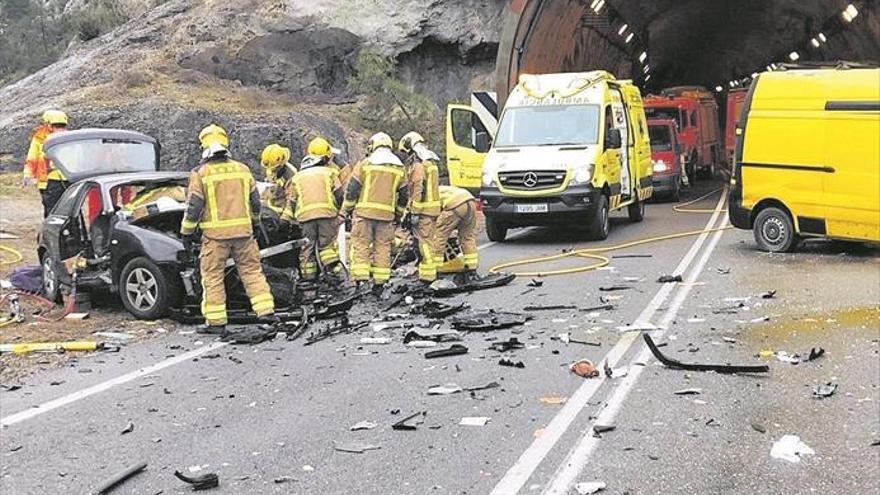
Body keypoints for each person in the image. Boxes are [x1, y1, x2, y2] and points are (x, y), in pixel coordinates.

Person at [180, 124, 275, 333]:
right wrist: (256, 223)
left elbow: (194, 207)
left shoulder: (201, 173)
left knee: (213, 277)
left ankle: (216, 322)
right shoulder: (242, 169)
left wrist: (186, 233)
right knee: (252, 272)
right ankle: (266, 312)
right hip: (244, 234)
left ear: (203, 147)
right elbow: (255, 202)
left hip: (215, 238)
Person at [338, 132, 408, 295]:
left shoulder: (365, 164)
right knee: (383, 248)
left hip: (364, 214)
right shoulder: (399, 168)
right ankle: (380, 283)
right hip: (386, 218)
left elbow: (352, 190)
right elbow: (404, 195)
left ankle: (360, 282)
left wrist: (345, 211)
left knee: (361, 245)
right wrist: (398, 215)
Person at [289, 154, 343, 281]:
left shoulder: (296, 178)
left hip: (305, 218)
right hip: (327, 215)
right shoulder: (330, 172)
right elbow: (339, 194)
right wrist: (341, 211)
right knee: (327, 246)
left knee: (308, 248)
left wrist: (295, 220)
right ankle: (334, 275)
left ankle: (309, 281)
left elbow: (292, 201)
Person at [398, 131, 441, 284]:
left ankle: (428, 277)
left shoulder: (419, 165)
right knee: (429, 241)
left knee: (424, 244)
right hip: (434, 209)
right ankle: (429, 273)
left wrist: (414, 213)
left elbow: (418, 189)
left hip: (424, 211)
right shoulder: (431, 162)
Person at [23, 110, 69, 217]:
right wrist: (27, 174)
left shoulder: (68, 138)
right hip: (48, 181)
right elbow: (32, 158)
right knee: (53, 209)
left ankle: (70, 231)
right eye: (57, 126)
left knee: (67, 210)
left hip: (63, 180)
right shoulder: (39, 139)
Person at [435, 185, 479, 277]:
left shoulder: (427, 196)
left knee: (439, 236)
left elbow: (431, 216)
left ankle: (436, 269)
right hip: (470, 201)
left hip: (455, 204)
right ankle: (472, 269)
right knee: (467, 236)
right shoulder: (441, 189)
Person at [259, 144, 297, 223]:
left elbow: (291, 199)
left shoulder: (290, 175)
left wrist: (285, 219)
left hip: (282, 215)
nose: (271, 171)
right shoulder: (271, 168)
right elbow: (268, 189)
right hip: (270, 213)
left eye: (274, 168)